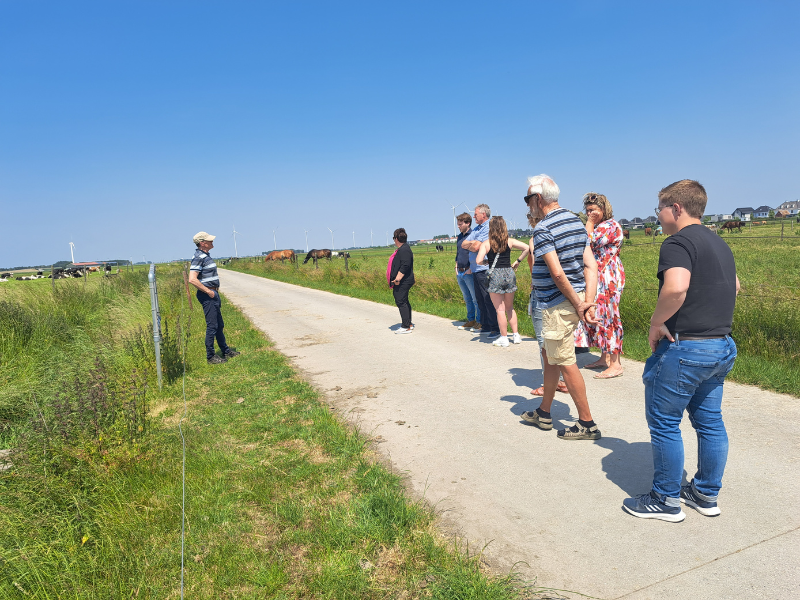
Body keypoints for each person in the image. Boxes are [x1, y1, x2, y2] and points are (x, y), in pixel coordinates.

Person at [623, 180, 739, 522]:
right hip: (720, 345)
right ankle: (705, 493)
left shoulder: (677, 242)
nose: (657, 216)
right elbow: (734, 286)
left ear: (676, 208)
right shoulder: (719, 242)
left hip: (685, 347)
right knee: (710, 422)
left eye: (659, 208)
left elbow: (676, 288)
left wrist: (656, 322)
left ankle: (665, 499)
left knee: (664, 423)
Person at [519, 174, 601, 440]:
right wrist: (587, 302)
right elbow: (591, 266)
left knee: (565, 360)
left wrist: (580, 305)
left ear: (538, 198)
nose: (527, 205)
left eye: (527, 199)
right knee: (550, 354)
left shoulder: (543, 228)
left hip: (557, 303)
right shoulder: (575, 221)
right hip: (575, 298)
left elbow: (557, 273)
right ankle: (544, 412)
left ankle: (587, 423)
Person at [574, 193, 626, 379]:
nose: (590, 214)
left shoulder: (611, 226)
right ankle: (604, 358)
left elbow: (587, 242)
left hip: (608, 277)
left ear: (603, 209)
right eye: (587, 211)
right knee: (600, 315)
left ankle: (616, 364)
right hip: (598, 277)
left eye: (593, 210)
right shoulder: (600, 226)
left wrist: (588, 223)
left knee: (610, 317)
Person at [525, 209, 569, 396]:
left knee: (544, 340)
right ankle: (563, 380)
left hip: (542, 293)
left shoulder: (536, 238)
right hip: (562, 292)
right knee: (560, 338)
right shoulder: (561, 235)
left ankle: (551, 383)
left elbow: (535, 265)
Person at [475, 216, 529, 347]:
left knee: (500, 309)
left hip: (495, 275)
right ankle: (516, 335)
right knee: (510, 308)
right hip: (509, 273)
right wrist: (518, 261)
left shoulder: (486, 243)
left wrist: (486, 261)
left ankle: (504, 337)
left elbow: (478, 261)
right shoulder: (509, 241)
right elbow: (527, 248)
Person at [188, 231, 240, 364]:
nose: (212, 242)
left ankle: (225, 351)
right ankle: (210, 357)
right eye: (209, 240)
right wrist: (208, 291)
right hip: (208, 295)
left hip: (213, 293)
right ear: (202, 243)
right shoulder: (199, 257)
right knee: (212, 326)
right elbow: (192, 279)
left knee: (219, 325)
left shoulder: (205, 256)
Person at [461, 204, 500, 339]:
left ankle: (495, 328)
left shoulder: (489, 227)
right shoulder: (477, 228)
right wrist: (473, 244)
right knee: (480, 299)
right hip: (476, 269)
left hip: (484, 269)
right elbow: (464, 244)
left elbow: (477, 247)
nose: (473, 216)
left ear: (483, 214)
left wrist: (473, 244)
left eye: (476, 214)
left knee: (488, 299)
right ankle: (486, 325)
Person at [455, 213, 480, 331]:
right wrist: (456, 266)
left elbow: (476, 253)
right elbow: (458, 253)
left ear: (468, 223)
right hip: (460, 271)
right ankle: (470, 320)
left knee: (475, 299)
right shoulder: (460, 237)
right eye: (458, 224)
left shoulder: (473, 235)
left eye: (460, 224)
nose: (458, 226)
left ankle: (479, 321)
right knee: (467, 298)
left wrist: (471, 268)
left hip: (469, 271)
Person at [390, 228, 415, 334]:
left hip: (403, 280)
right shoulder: (404, 248)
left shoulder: (404, 250)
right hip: (404, 280)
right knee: (404, 301)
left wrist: (397, 279)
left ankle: (406, 326)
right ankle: (408, 323)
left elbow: (405, 265)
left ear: (396, 239)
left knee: (400, 301)